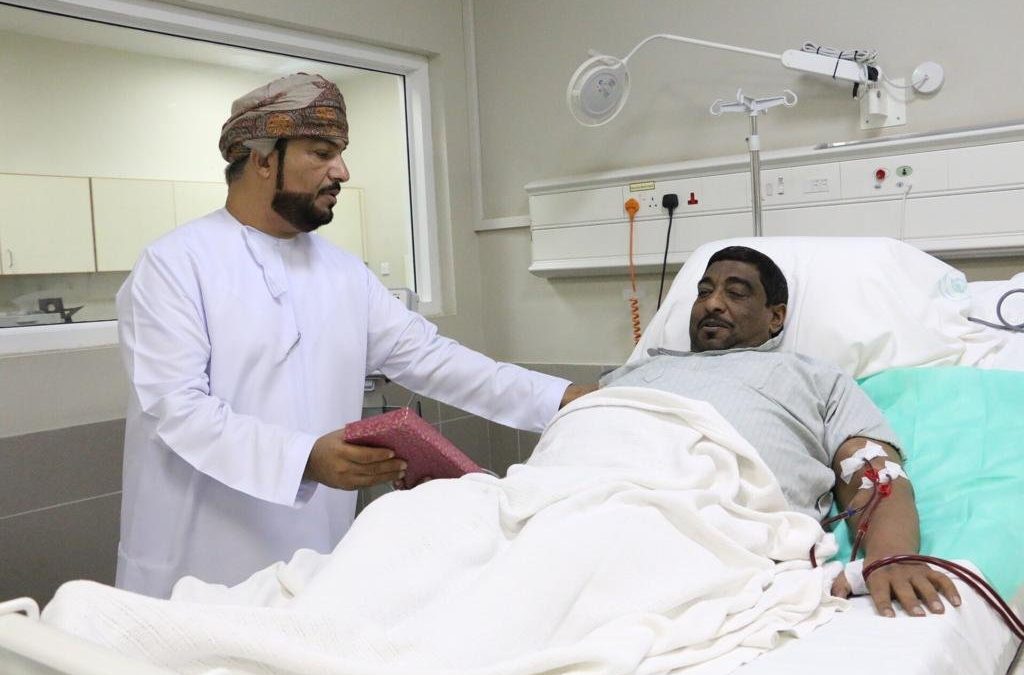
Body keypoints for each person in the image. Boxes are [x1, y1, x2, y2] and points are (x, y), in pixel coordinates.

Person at [114, 73, 593, 598]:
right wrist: (305, 458)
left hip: (315, 559)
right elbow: (177, 410)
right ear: (263, 159)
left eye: (340, 154)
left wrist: (561, 399)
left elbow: (432, 358)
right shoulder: (175, 265)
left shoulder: (343, 273)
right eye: (322, 153)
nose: (341, 171)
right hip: (197, 567)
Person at [601, 245, 961, 618]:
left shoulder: (815, 378)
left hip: (708, 534)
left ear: (776, 317)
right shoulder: (637, 371)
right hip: (591, 497)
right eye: (704, 292)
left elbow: (874, 471)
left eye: (735, 293)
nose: (713, 304)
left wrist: (891, 554)